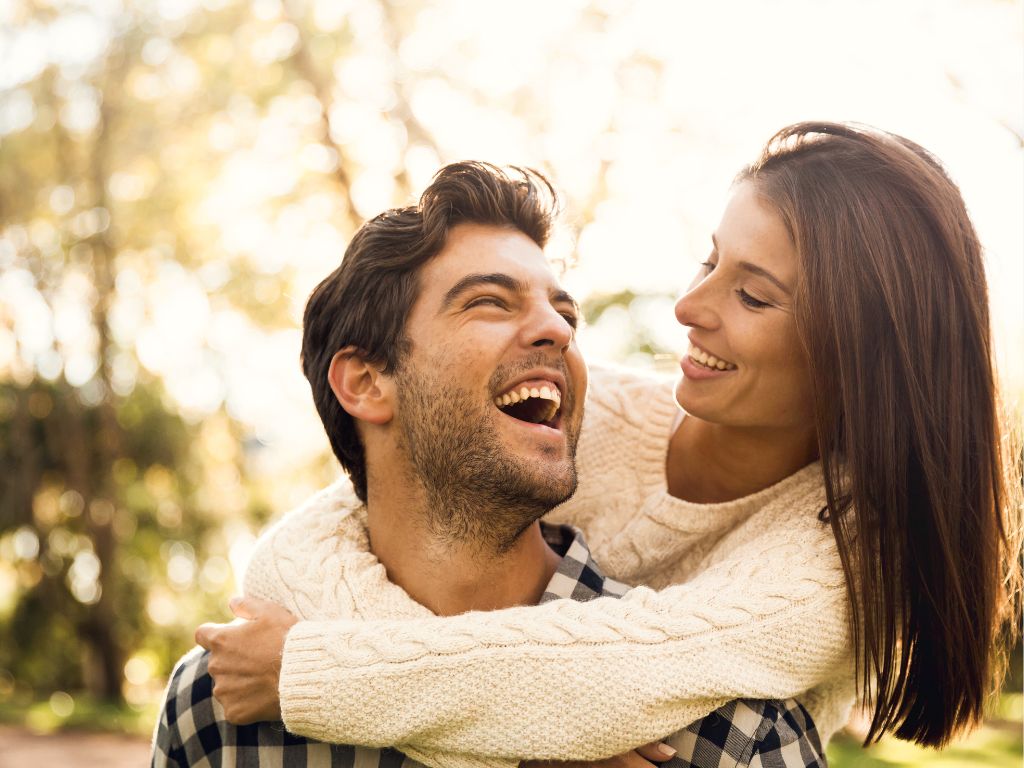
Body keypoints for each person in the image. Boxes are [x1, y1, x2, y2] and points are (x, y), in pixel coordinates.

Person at [198, 123, 1022, 765]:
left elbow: (622, 674)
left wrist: (313, 676)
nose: (689, 306)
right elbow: (323, 535)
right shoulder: (580, 414)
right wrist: (510, 743)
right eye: (710, 261)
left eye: (754, 296)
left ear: (854, 362)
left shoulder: (835, 558)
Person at [152, 161, 825, 767]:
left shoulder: (734, 737)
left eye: (565, 313)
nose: (560, 330)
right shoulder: (219, 711)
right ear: (365, 383)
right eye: (491, 302)